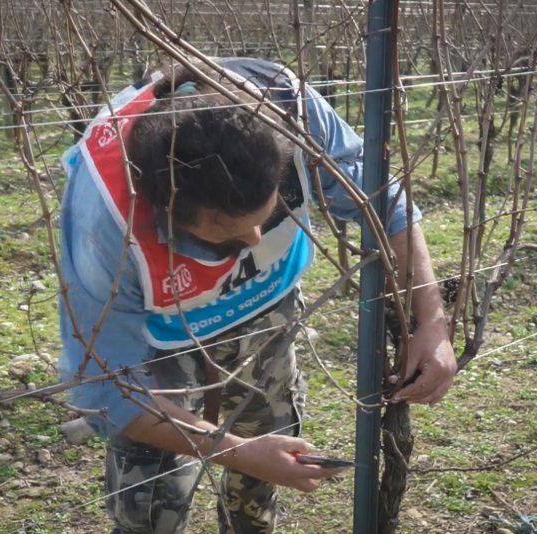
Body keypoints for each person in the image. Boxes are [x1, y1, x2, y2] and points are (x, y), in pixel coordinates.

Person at [58, 58, 456, 534]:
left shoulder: (290, 110)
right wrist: (237, 451)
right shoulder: (103, 221)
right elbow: (112, 391)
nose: (252, 240)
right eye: (225, 233)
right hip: (157, 340)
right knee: (149, 506)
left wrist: (432, 322)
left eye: (264, 217)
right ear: (164, 210)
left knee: (262, 475)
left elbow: (382, 202)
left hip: (269, 312)